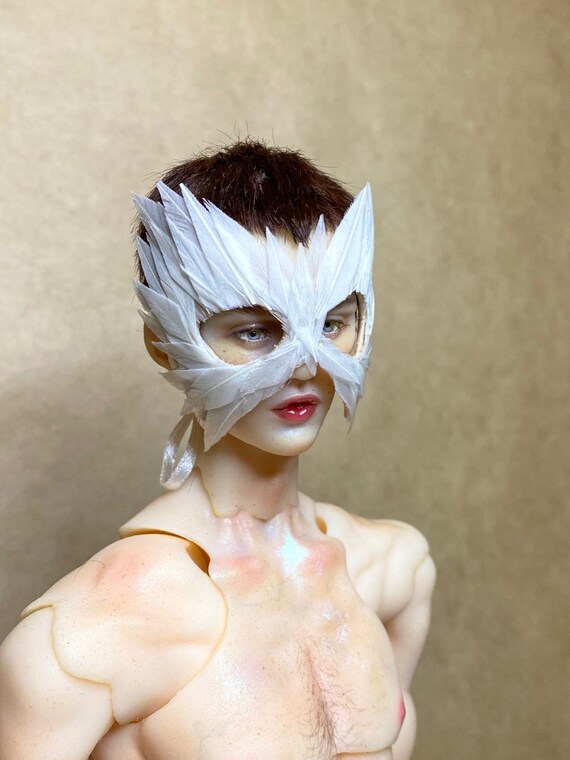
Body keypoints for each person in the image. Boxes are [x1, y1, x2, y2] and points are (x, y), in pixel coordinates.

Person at [0, 140, 435, 760]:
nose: (305, 365)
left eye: (331, 323)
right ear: (163, 341)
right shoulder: (88, 637)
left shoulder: (394, 570)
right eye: (254, 331)